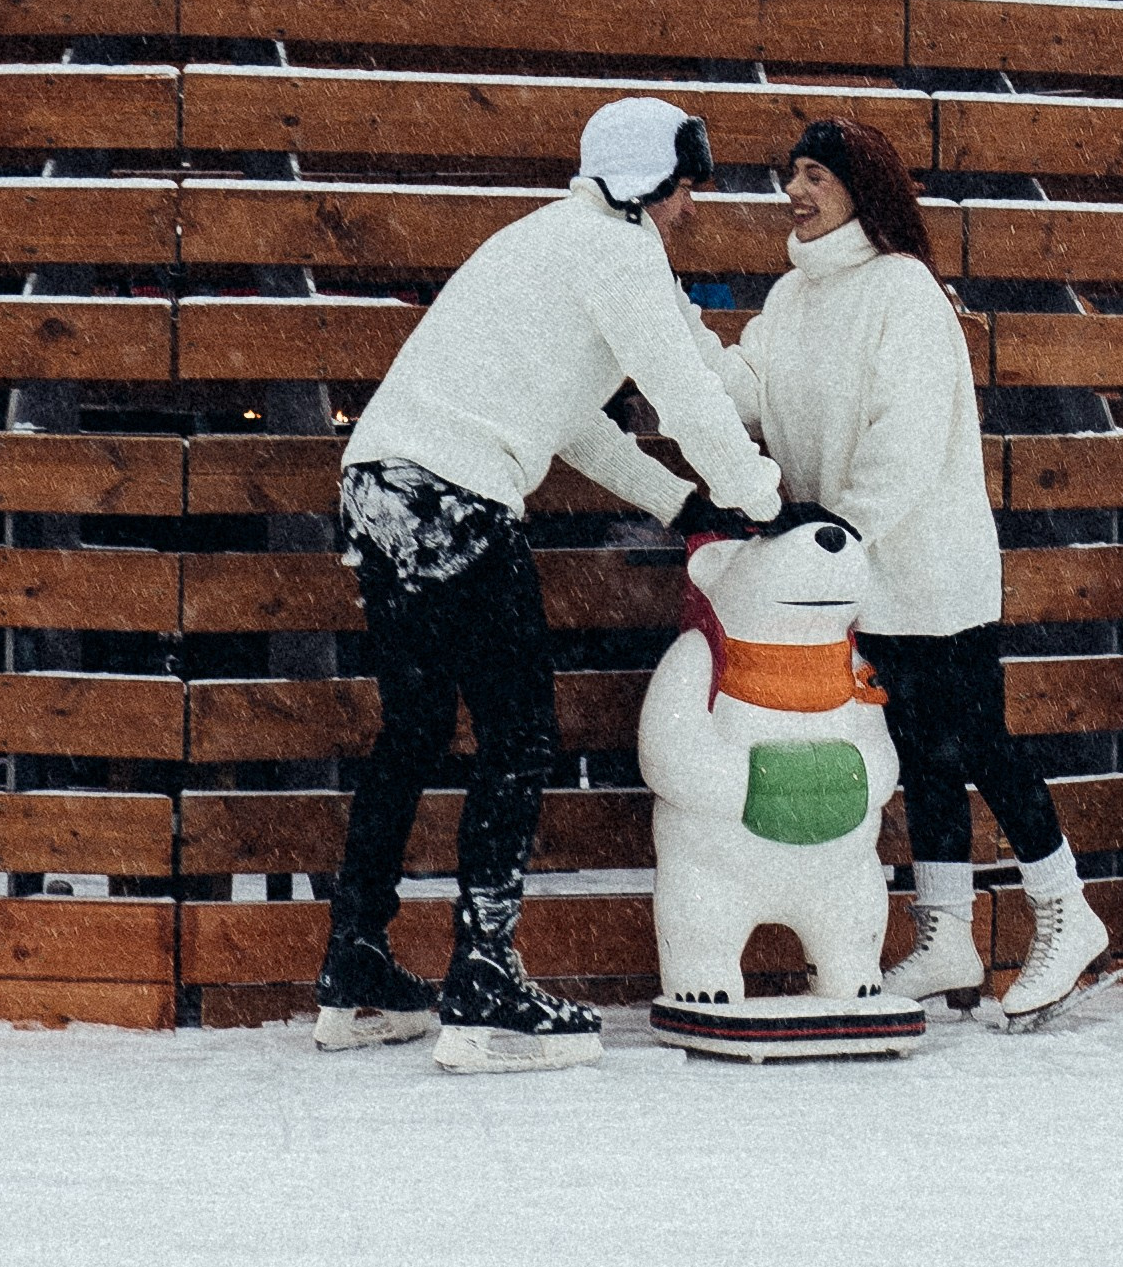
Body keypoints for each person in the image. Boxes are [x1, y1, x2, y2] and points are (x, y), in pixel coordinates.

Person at [314, 95, 782, 1069]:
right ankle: (483, 984)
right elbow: (686, 392)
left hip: (377, 483)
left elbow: (571, 419)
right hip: (452, 494)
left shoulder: (546, 239)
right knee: (521, 732)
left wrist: (675, 503)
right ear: (651, 181)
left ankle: (353, 966)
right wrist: (759, 501)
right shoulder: (616, 248)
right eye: (685, 187)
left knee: (413, 730)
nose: (690, 208)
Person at [707, 116, 1110, 1024]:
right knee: (922, 755)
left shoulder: (904, 290)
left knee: (976, 743)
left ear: (860, 187)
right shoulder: (793, 298)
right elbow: (747, 389)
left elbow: (908, 437)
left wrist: (839, 528)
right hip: (855, 576)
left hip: (926, 567)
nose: (795, 192)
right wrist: (677, 350)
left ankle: (1065, 910)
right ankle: (946, 936)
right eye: (790, 174)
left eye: (814, 173)